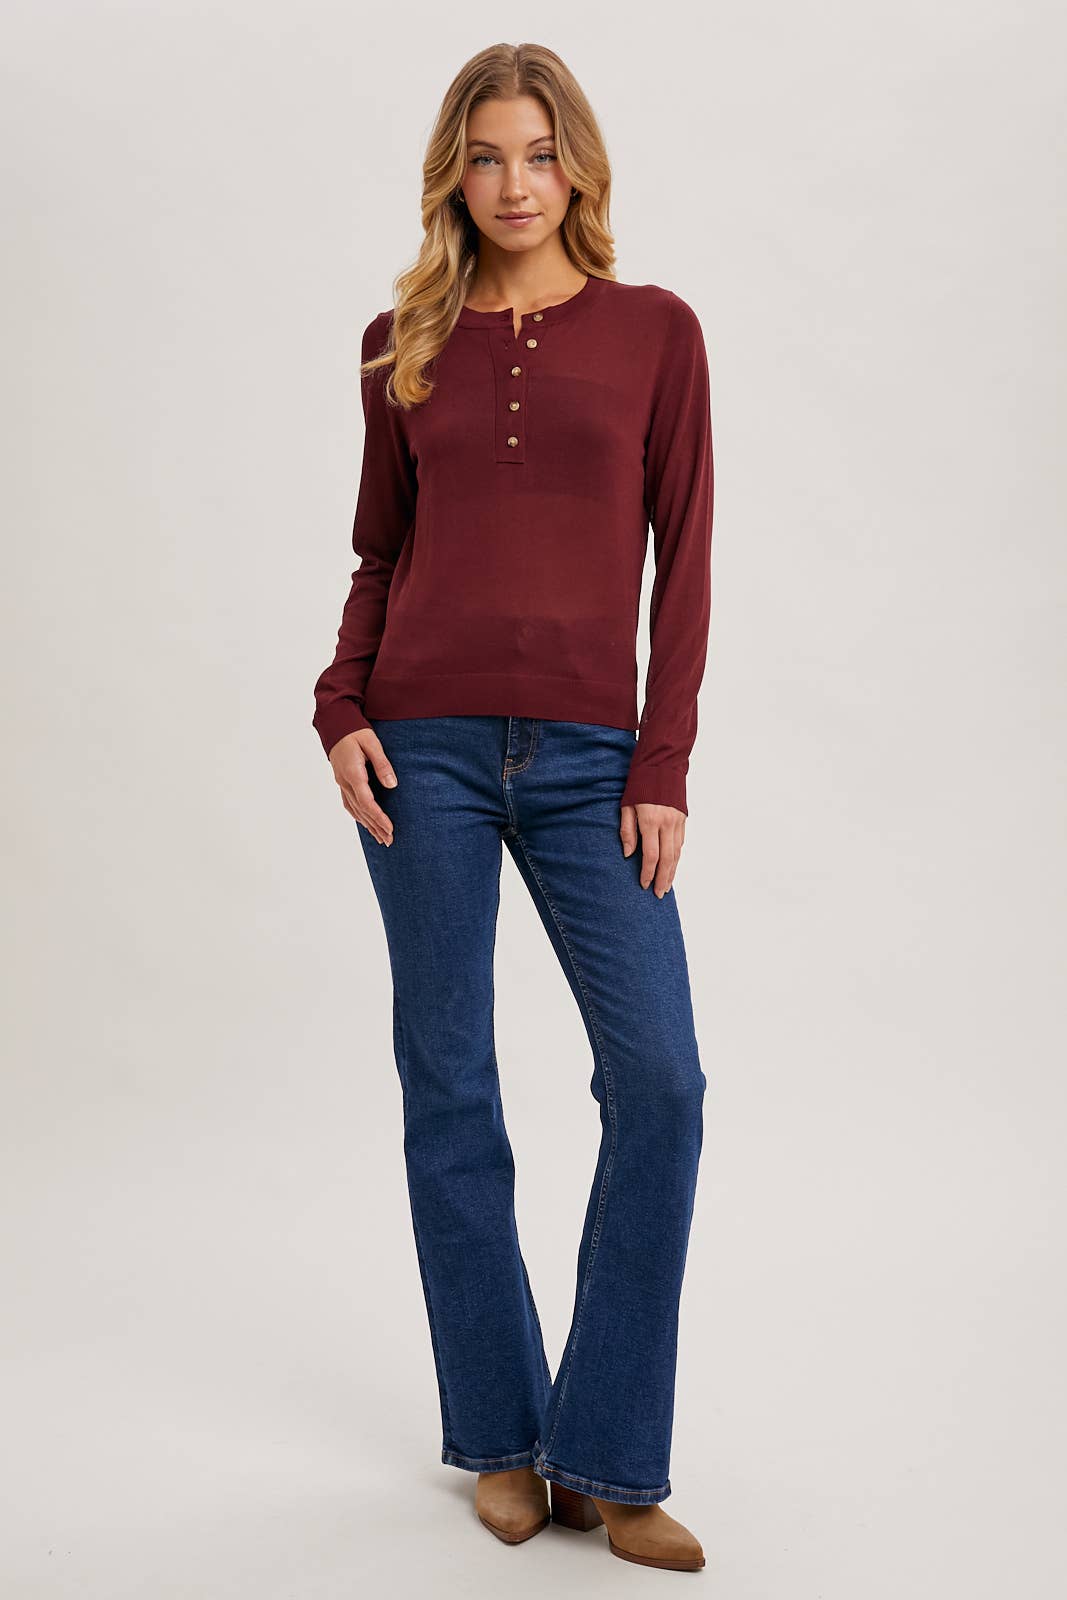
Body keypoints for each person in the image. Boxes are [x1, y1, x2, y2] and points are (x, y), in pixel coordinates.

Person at [311, 42, 715, 1574]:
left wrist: (662, 763)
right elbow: (378, 553)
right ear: (455, 176)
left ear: (579, 167)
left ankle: (609, 1452)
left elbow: (687, 562)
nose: (515, 182)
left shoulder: (656, 334)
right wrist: (341, 704)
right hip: (420, 749)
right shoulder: (400, 344)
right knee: (452, 1085)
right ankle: (498, 1435)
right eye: (485, 155)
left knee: (660, 1083)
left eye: (539, 152)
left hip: (592, 763)